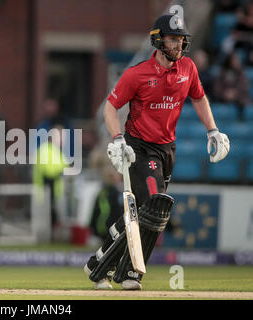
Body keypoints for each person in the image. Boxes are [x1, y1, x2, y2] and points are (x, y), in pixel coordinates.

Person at [83, 14, 230, 290]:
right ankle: (128, 273)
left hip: (167, 149)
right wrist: (117, 139)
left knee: (144, 213)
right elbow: (110, 107)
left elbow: (198, 97)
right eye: (173, 39)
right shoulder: (137, 74)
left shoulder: (188, 68)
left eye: (181, 39)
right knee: (155, 206)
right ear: (158, 40)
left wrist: (213, 130)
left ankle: (102, 264)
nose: (178, 44)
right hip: (139, 146)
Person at [213, 51, 250, 120]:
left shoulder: (242, 73)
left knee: (243, 103)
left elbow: (244, 86)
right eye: (234, 59)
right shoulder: (222, 73)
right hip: (223, 98)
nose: (237, 61)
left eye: (237, 59)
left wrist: (235, 93)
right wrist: (224, 93)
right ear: (229, 60)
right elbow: (217, 87)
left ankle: (241, 119)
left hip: (239, 99)